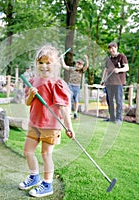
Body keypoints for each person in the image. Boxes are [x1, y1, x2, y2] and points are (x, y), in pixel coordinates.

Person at [18, 44, 75, 198]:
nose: (44, 66)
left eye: (48, 62)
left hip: (51, 125)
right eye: (41, 62)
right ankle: (34, 176)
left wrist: (69, 127)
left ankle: (47, 184)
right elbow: (28, 102)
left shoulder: (57, 83)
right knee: (27, 151)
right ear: (37, 64)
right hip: (34, 123)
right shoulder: (33, 80)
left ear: (55, 64)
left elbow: (64, 107)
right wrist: (31, 94)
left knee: (46, 154)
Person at [100, 41, 129, 124]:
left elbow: (127, 68)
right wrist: (103, 79)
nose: (111, 50)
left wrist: (119, 70)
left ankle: (119, 118)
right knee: (109, 100)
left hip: (118, 83)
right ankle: (112, 117)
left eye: (113, 48)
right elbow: (105, 70)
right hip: (109, 83)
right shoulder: (108, 59)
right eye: (110, 48)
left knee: (118, 101)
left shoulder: (122, 57)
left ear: (116, 48)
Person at [61, 54, 89, 119]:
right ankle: (69, 112)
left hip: (77, 87)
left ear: (82, 66)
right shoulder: (72, 69)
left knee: (76, 100)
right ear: (75, 64)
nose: (78, 66)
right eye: (77, 64)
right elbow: (64, 66)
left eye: (80, 65)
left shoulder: (82, 71)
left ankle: (75, 112)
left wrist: (86, 59)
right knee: (69, 98)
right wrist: (62, 58)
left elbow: (87, 66)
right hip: (70, 85)